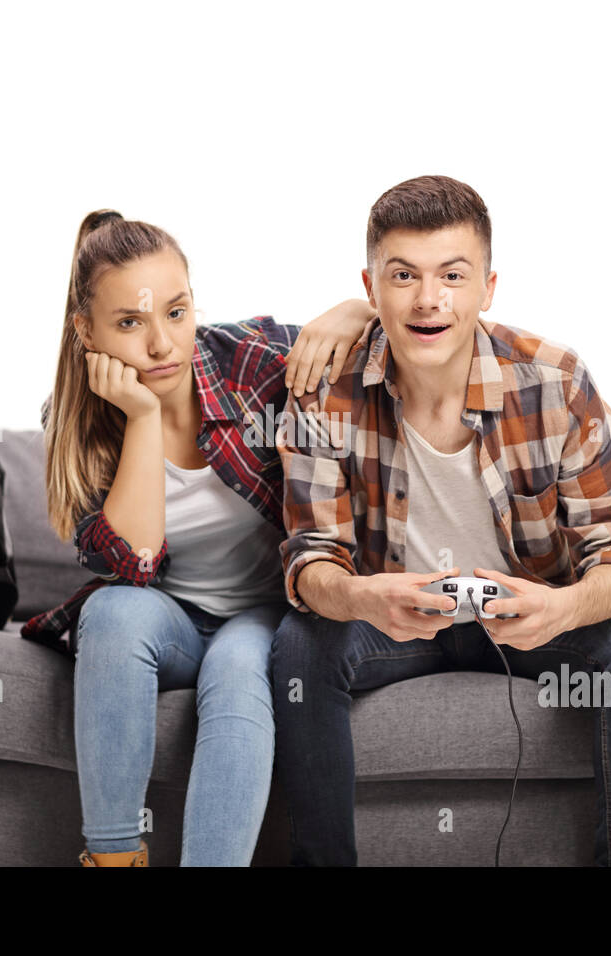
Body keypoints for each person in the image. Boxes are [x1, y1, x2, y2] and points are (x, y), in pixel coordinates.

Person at [271, 175, 611, 866]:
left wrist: (564, 607)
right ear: (369, 289)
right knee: (300, 646)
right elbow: (310, 557)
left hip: (529, 625)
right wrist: (363, 595)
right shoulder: (324, 391)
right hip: (395, 623)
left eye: (452, 276)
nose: (430, 300)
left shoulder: (556, 381)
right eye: (403, 275)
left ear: (487, 287)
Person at [22, 209, 376, 867]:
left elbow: (399, 341)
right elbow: (135, 561)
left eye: (176, 313)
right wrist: (143, 417)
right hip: (171, 619)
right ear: (86, 331)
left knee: (239, 667)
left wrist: (354, 308)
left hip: (270, 614)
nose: (162, 345)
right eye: (130, 323)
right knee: (110, 612)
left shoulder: (256, 361)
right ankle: (114, 857)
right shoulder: (76, 423)